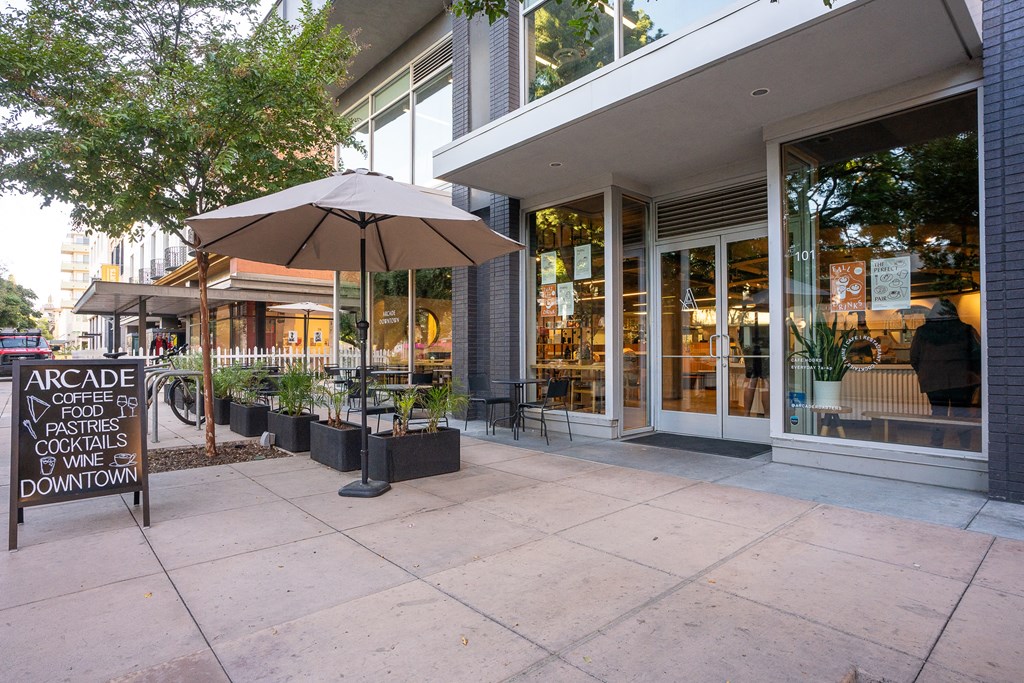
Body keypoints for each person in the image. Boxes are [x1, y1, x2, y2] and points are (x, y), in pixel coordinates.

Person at [909, 300, 981, 448]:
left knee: (938, 413)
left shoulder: (922, 332)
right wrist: (971, 373)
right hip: (962, 380)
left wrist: (925, 372)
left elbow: (914, 358)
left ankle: (936, 444)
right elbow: (978, 355)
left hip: (933, 380)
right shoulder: (966, 330)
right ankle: (965, 446)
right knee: (962, 414)